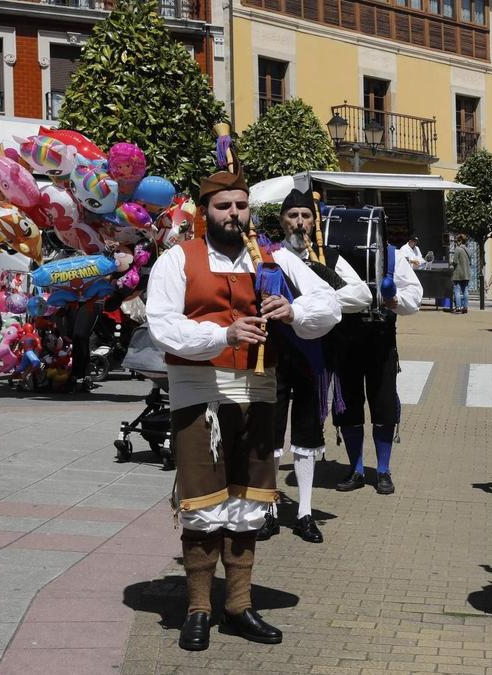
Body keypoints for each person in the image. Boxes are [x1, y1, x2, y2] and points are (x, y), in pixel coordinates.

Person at [146, 154, 341, 651]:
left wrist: (293, 310)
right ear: (205, 212)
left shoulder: (272, 258)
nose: (234, 213)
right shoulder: (178, 259)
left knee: (248, 503)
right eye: (223, 206)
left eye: (241, 205)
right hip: (200, 395)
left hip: (258, 393)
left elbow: (332, 305)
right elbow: (162, 325)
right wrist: (223, 334)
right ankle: (197, 608)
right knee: (202, 503)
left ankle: (238, 605)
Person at [258, 188, 372, 544]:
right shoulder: (268, 255)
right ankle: (268, 509)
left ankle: (305, 512)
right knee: (271, 433)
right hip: (274, 354)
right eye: (293, 216)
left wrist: (318, 294)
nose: (299, 222)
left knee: (307, 434)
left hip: (315, 356)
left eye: (305, 216)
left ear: (314, 221)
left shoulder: (329, 258)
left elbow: (363, 295)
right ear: (282, 221)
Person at [333, 227, 424, 496]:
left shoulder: (393, 256)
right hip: (344, 340)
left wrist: (395, 300)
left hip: (381, 341)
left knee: (383, 406)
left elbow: (414, 294)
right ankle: (356, 469)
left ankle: (383, 470)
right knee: (348, 406)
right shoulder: (334, 255)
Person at [450, 234, 471, 315]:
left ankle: (458, 307)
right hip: (466, 273)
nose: (456, 242)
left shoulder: (458, 249)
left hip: (458, 273)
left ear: (460, 241)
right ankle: (465, 307)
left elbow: (455, 261)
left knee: (457, 290)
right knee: (465, 290)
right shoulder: (468, 250)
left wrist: (451, 263)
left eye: (457, 241)